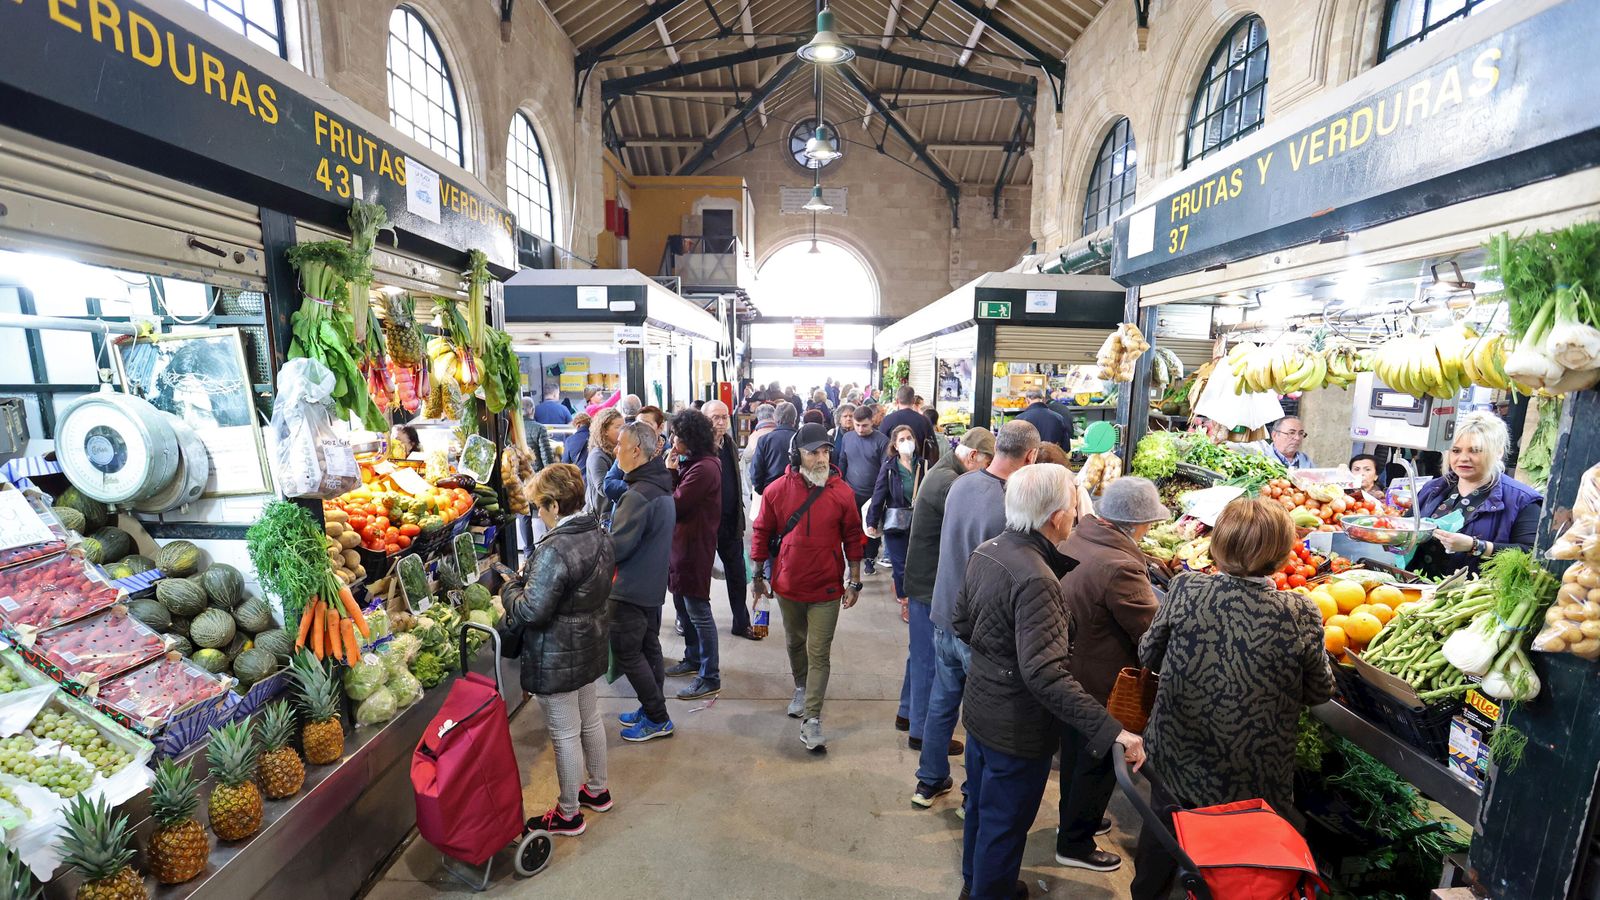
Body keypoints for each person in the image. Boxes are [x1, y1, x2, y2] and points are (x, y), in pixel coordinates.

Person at [954, 464, 1144, 900]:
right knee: (1005, 822)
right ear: (1056, 516)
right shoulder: (1038, 578)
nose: (1077, 515)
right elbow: (1044, 672)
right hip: (1016, 726)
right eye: (1074, 507)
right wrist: (1112, 729)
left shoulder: (989, 549)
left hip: (982, 709)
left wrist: (998, 662)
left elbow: (961, 621)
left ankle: (977, 884)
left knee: (982, 810)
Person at [1131, 497, 1335, 900]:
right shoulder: (1300, 611)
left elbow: (1147, 654)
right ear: (1282, 553)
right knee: (1239, 868)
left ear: (1218, 545)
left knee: (1161, 844)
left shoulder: (1186, 588)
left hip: (1176, 757)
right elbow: (1319, 691)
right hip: (1253, 774)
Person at [914, 421, 1041, 810]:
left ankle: (928, 781)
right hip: (979, 627)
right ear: (1031, 456)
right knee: (981, 715)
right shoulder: (1012, 503)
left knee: (942, 701)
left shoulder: (961, 484)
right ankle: (973, 796)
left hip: (944, 613)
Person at [1054, 477, 1167, 873]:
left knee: (1076, 756)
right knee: (1098, 761)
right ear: (1137, 524)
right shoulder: (1121, 566)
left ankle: (1075, 819)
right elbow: (1150, 633)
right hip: (1102, 680)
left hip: (1072, 670)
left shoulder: (1079, 538)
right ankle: (1075, 843)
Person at [498, 463, 614, 836]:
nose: (539, 514)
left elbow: (531, 610)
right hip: (590, 642)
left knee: (564, 733)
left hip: (558, 653)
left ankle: (569, 814)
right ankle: (597, 790)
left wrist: (510, 588)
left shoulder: (556, 547)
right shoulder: (597, 531)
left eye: (540, 507)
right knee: (590, 719)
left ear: (554, 505)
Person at [750, 422, 866, 753]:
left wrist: (854, 579)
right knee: (794, 640)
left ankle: (812, 718)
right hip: (788, 585)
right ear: (796, 455)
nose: (821, 458)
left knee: (819, 651)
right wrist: (757, 576)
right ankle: (801, 686)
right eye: (813, 452)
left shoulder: (843, 493)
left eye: (826, 451)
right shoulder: (776, 490)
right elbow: (761, 532)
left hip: (827, 587)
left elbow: (853, 537)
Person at [901, 428, 993, 764]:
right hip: (930, 584)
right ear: (973, 457)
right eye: (987, 466)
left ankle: (908, 714)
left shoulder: (943, 471)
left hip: (924, 580)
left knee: (919, 656)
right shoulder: (951, 483)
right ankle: (921, 732)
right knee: (929, 661)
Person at [1409, 411, 1543, 579]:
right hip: (1412, 586)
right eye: (1456, 451)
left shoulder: (1522, 500)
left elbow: (1530, 554)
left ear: (1498, 452)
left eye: (1475, 451)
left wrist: (1475, 546)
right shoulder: (1433, 488)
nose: (1463, 458)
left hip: (1472, 593)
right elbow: (1405, 527)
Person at [609, 422, 677, 742]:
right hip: (651, 585)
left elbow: (618, 547)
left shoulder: (637, 495)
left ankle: (657, 718)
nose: (615, 451)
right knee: (649, 649)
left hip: (630, 588)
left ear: (636, 451)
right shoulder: (659, 484)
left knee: (628, 652)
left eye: (619, 445)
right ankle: (651, 708)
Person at [664, 408, 723, 701]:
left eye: (677, 436)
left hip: (693, 547)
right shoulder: (696, 463)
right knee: (684, 606)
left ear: (691, 438)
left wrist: (670, 472)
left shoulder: (704, 468)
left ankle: (709, 675)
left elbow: (675, 505)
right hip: (682, 545)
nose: (673, 441)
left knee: (698, 610)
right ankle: (693, 657)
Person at [705, 400, 758, 640]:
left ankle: (741, 622)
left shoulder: (729, 443)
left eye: (724, 417)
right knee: (699, 577)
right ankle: (692, 621)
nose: (721, 422)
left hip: (730, 522)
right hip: (705, 526)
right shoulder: (698, 446)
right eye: (715, 417)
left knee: (737, 573)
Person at [867, 425, 929, 625]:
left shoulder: (924, 465)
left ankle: (906, 588)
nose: (906, 442)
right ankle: (906, 601)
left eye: (909, 438)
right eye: (901, 440)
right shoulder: (889, 467)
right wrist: (872, 521)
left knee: (917, 562)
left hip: (919, 522)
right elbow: (879, 494)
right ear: (894, 444)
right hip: (896, 524)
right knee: (900, 563)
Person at [836, 411, 890, 576]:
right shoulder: (847, 438)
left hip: (874, 493)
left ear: (872, 421)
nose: (860, 429)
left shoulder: (882, 441)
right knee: (852, 528)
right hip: (851, 492)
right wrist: (840, 485)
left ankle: (870, 559)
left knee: (872, 528)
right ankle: (854, 558)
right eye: (857, 425)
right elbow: (843, 461)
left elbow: (885, 470)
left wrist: (880, 494)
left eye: (864, 425)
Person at [751, 401, 800, 498]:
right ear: (794, 419)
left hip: (771, 490)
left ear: (775, 418)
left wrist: (762, 490)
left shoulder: (764, 440)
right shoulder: (800, 439)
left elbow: (756, 470)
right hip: (796, 492)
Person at [584, 409, 623, 524]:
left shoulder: (617, 451)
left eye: (624, 426)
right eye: (618, 427)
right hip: (602, 518)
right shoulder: (597, 456)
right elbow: (603, 488)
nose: (623, 430)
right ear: (604, 430)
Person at [881, 385, 936, 458]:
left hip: (893, 462)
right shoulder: (924, 420)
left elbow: (881, 445)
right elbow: (933, 446)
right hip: (918, 463)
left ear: (897, 401)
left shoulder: (887, 420)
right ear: (913, 401)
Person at [1248, 416, 1314, 469]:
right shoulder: (1260, 459)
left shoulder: (1306, 461)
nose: (1297, 438)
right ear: (1274, 435)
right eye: (1291, 433)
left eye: (1301, 433)